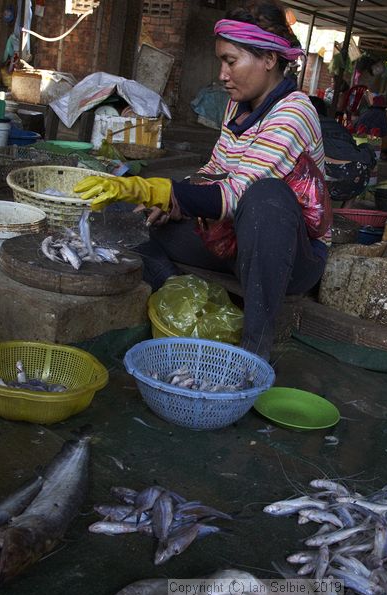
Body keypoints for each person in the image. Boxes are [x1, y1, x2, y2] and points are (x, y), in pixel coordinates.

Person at [73, 0, 326, 360]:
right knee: (124, 218)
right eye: (222, 61)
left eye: (230, 61)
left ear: (269, 59)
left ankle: (254, 352)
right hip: (232, 243)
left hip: (288, 257)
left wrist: (166, 191)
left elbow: (236, 194)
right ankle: (181, 294)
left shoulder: (294, 111)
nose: (222, 74)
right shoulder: (238, 106)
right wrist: (173, 202)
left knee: (266, 197)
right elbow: (214, 169)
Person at [309, 94, 375, 202]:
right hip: (360, 178)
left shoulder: (307, 125)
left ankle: (321, 206)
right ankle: (347, 208)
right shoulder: (337, 126)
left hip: (330, 179)